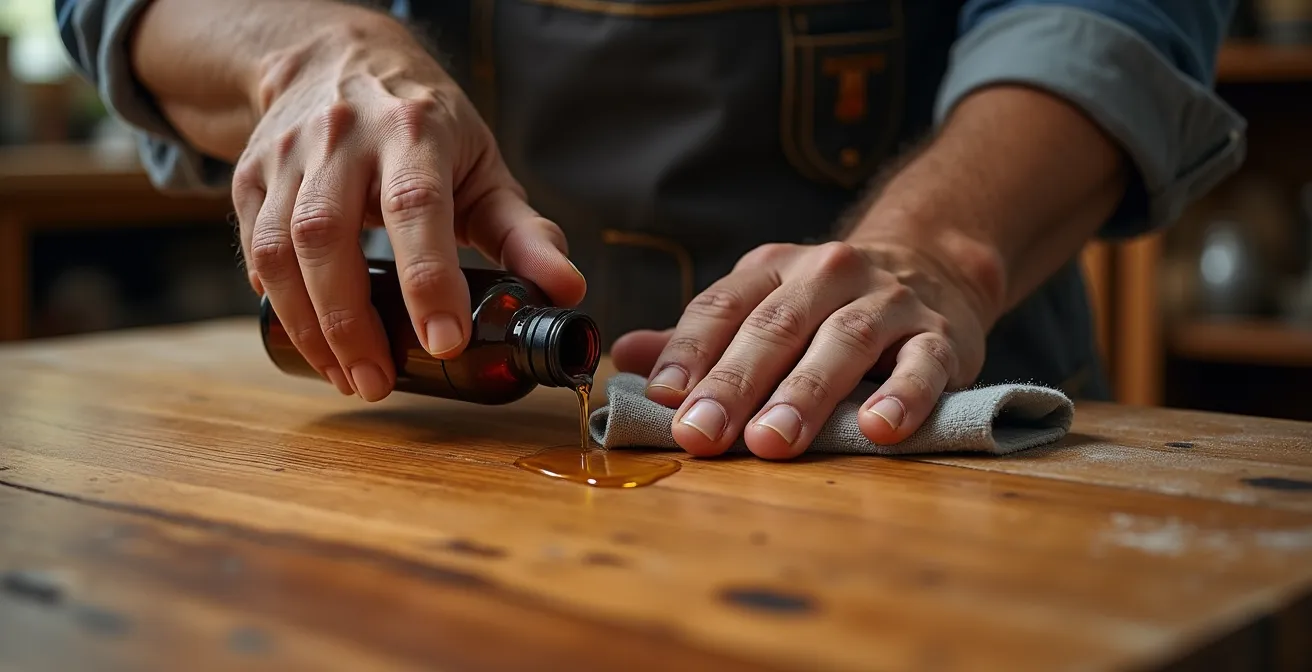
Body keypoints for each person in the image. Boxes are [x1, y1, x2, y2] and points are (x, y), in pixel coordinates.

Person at [58, 0, 1245, 459]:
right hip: (467, 496)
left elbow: (1109, 15)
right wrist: (304, 49)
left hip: (923, 439)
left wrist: (945, 249)